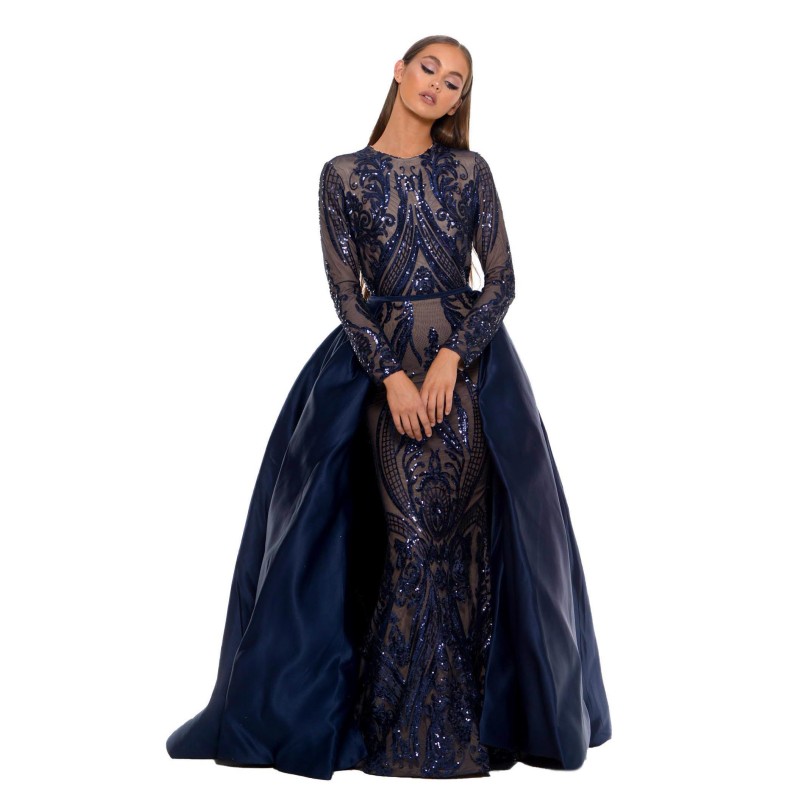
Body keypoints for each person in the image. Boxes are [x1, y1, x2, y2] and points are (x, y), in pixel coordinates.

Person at [166, 34, 612, 781]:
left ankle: (466, 728)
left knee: (463, 540)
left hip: (469, 375)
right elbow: (346, 294)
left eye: (455, 81)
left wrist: (451, 359)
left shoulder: (469, 171)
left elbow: (501, 281)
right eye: (429, 68)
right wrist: (393, 378)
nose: (439, 84)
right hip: (379, 374)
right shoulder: (341, 175)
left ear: (461, 99)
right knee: (402, 537)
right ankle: (392, 727)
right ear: (400, 71)